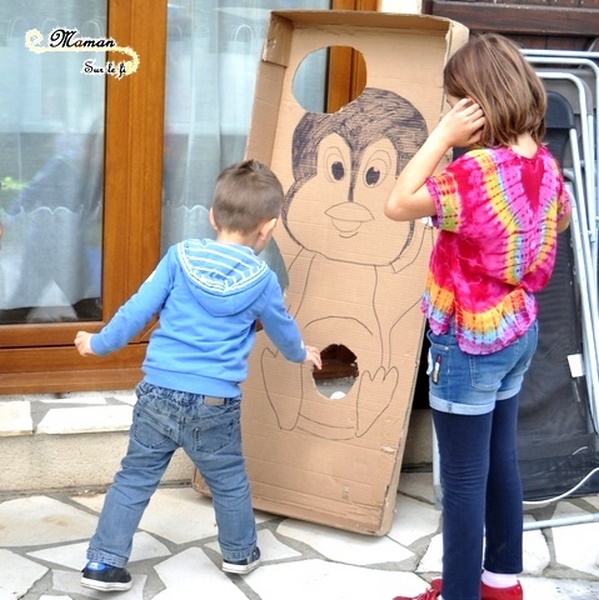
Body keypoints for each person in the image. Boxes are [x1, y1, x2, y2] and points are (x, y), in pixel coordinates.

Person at [74, 159, 322, 592]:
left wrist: (98, 343)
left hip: (158, 393)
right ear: (268, 228)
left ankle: (102, 562)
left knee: (133, 476)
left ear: (212, 216)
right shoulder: (263, 280)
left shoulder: (179, 257)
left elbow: (136, 310)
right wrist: (302, 353)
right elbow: (282, 331)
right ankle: (239, 554)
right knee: (228, 480)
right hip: (214, 403)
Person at [384, 33, 571, 600]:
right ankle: (500, 582)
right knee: (500, 461)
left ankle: (460, 594)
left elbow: (398, 202)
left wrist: (440, 136)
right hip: (518, 329)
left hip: (468, 342)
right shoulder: (542, 162)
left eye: (453, 102)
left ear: (474, 104)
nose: (448, 112)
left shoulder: (474, 173)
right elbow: (558, 224)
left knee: (463, 480)